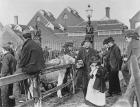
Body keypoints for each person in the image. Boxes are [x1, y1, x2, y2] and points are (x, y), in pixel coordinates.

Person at [10, 29, 45, 104]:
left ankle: (17, 96)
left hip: (32, 69)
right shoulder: (35, 43)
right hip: (40, 67)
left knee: (15, 77)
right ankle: (29, 93)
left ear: (23, 38)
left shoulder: (26, 45)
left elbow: (23, 60)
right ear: (30, 36)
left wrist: (20, 66)